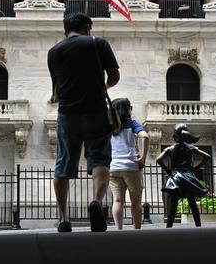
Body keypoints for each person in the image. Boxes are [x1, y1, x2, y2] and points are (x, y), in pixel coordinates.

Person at [48, 13, 120, 233]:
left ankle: (63, 218)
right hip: (95, 110)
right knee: (99, 158)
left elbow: (57, 87)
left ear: (65, 30)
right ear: (88, 27)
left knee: (63, 163)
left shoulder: (54, 52)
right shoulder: (98, 43)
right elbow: (114, 76)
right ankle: (96, 201)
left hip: (67, 113)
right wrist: (102, 87)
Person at [156, 124, 210, 228]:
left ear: (175, 136)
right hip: (188, 178)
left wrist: (167, 170)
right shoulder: (191, 148)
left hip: (175, 178)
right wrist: (195, 169)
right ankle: (198, 226)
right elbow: (207, 157)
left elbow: (158, 159)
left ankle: (169, 227)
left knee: (173, 205)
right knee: (192, 203)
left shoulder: (170, 149)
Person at [108, 98, 149, 230]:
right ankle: (136, 230)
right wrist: (142, 158)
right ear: (128, 109)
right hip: (131, 167)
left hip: (113, 167)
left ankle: (119, 230)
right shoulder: (132, 124)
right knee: (135, 202)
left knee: (117, 200)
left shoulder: (109, 126)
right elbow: (145, 137)